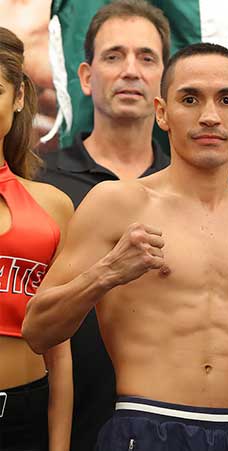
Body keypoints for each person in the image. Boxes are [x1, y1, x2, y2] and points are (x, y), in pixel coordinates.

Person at [22, 42, 228, 451]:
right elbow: (37, 331)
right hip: (147, 425)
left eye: (226, 99)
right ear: (163, 113)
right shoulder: (118, 204)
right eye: (190, 99)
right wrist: (107, 273)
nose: (209, 116)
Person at [37, 2, 171, 450]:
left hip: (175, 425)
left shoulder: (196, 187)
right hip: (60, 427)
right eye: (114, 56)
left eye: (146, 57)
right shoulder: (39, 181)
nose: (131, 71)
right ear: (86, 76)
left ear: (166, 82)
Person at [0, 26, 73, 451]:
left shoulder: (55, 207)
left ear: (20, 97)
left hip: (25, 418)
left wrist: (59, 445)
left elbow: (60, 348)